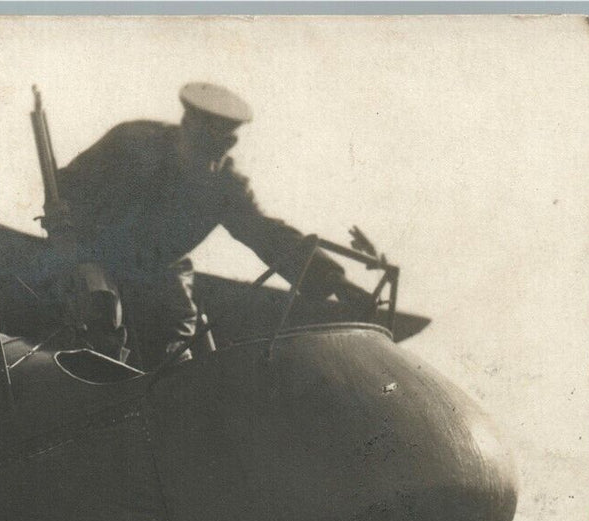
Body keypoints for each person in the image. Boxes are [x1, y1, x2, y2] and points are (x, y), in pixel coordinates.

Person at [57, 83, 374, 364]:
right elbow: (68, 185)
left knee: (179, 338)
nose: (206, 164)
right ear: (185, 127)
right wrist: (70, 234)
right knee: (100, 310)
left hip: (162, 267)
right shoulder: (132, 142)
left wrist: (334, 281)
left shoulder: (225, 186)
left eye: (215, 155)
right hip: (99, 249)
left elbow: (268, 235)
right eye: (199, 151)